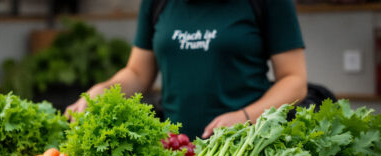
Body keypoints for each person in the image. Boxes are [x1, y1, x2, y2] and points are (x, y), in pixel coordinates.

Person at [65, 0, 307, 139]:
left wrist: (246, 117)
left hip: (246, 149)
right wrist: (103, 92)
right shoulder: (157, 2)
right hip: (174, 152)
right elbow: (138, 73)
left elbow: (294, 80)